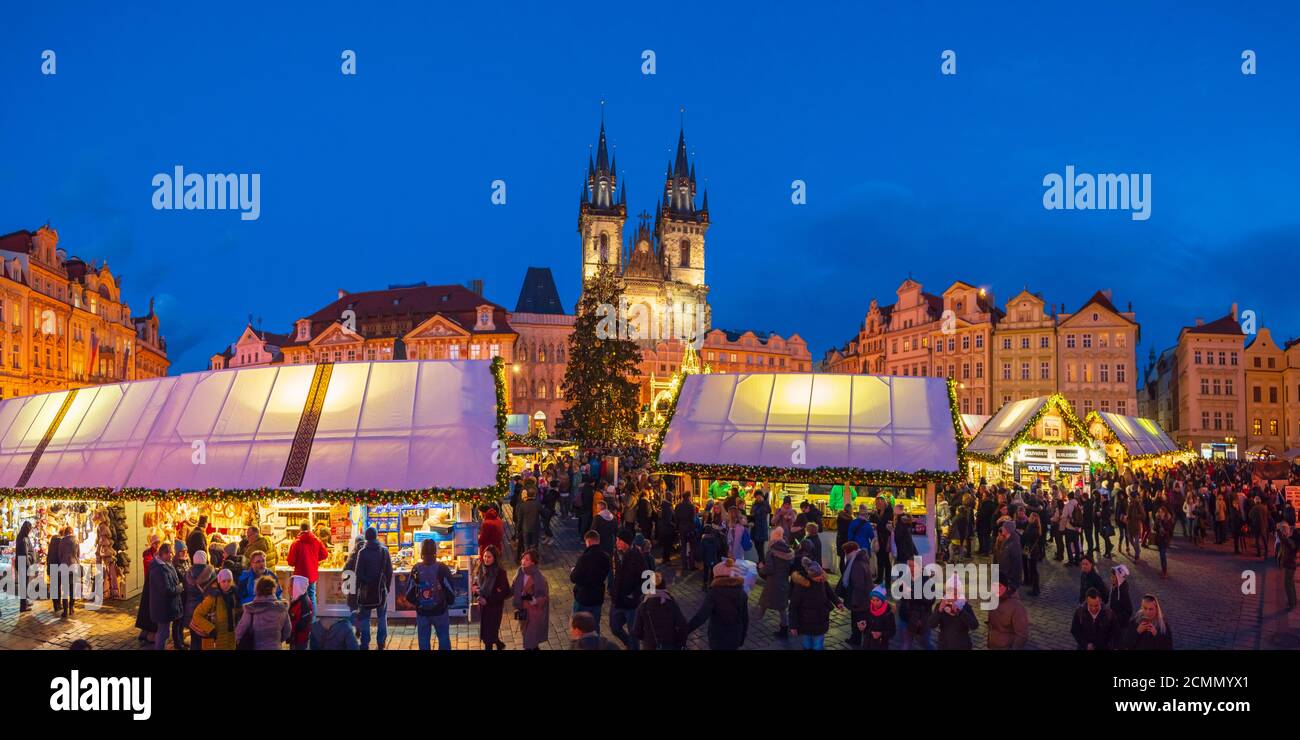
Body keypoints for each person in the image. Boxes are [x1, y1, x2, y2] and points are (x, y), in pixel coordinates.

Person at [685, 559, 749, 650]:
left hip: (718, 635)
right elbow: (745, 618)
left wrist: (685, 630)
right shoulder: (742, 593)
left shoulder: (714, 593)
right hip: (735, 634)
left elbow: (702, 616)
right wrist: (742, 637)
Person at [410, 539, 456, 651]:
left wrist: (418, 603)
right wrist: (447, 602)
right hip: (440, 610)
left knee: (424, 640)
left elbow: (409, 592)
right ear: (435, 551)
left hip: (422, 612)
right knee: (444, 637)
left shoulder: (416, 568)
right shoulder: (442, 568)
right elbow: (450, 590)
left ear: (422, 552)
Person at [788, 557, 842, 650]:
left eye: (821, 575)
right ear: (810, 576)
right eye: (817, 577)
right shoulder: (801, 586)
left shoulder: (822, 581)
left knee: (818, 646)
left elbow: (830, 592)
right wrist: (793, 625)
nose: (820, 578)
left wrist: (837, 602)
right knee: (807, 644)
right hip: (805, 621)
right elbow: (793, 606)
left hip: (821, 618)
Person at [353, 526, 393, 650]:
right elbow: (389, 571)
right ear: (376, 536)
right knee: (382, 616)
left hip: (365, 590)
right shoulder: (384, 551)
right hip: (381, 589)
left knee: (365, 617)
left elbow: (358, 573)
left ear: (366, 537)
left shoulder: (362, 552)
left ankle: (365, 644)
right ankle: (381, 642)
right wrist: (387, 587)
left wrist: (361, 587)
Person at [610, 528, 646, 650]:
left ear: (625, 542)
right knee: (614, 627)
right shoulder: (616, 553)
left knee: (633, 633)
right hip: (617, 600)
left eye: (618, 540)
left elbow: (648, 580)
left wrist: (634, 595)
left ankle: (632, 647)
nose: (616, 543)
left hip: (631, 604)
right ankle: (629, 644)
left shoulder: (637, 556)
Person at [632, 571, 688, 650]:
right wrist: (680, 642)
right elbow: (682, 625)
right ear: (664, 586)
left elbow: (636, 631)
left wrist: (647, 639)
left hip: (650, 646)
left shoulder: (643, 604)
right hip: (670, 644)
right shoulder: (670, 603)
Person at [756, 527, 794, 639]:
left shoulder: (771, 552)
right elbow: (790, 567)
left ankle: (755, 620)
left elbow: (769, 569)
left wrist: (761, 568)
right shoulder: (788, 551)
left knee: (765, 601)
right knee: (782, 606)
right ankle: (784, 627)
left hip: (772, 582)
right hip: (783, 581)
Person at [235, 575, 291, 650]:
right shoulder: (281, 608)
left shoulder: (251, 609)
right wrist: (277, 641)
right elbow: (287, 631)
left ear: (257, 590)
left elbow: (240, 632)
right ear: (273, 589)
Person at [570, 529, 610, 629]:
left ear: (588, 541)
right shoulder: (605, 557)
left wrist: (573, 571)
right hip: (597, 597)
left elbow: (574, 578)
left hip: (584, 597)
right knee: (595, 626)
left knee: (579, 626)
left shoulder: (584, 558)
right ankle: (595, 643)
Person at [473, 544, 511, 649]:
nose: (486, 559)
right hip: (483, 607)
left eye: (489, 557)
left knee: (487, 637)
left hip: (494, 608)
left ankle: (492, 643)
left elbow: (503, 592)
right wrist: (476, 593)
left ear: (495, 558)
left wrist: (487, 601)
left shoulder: (500, 573)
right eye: (485, 556)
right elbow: (475, 584)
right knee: (488, 631)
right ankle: (498, 643)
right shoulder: (480, 568)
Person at [190, 569, 239, 650]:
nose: (226, 584)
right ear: (219, 582)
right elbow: (197, 615)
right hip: (216, 639)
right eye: (224, 581)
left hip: (231, 638)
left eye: (229, 581)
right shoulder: (212, 597)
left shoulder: (234, 595)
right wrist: (210, 629)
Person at [147, 542, 183, 651]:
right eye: (169, 553)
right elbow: (166, 590)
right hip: (162, 607)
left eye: (171, 552)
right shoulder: (158, 570)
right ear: (162, 554)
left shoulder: (167, 564)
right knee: (163, 633)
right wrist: (180, 588)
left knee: (165, 633)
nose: (171, 555)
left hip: (167, 606)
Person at [511, 548, 550, 650]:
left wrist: (535, 600)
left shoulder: (539, 577)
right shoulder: (519, 573)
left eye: (527, 559)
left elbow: (544, 597)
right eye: (523, 558)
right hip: (522, 611)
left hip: (534, 613)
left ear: (533, 562)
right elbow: (513, 588)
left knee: (529, 642)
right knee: (530, 640)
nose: (523, 561)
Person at [287, 523, 327, 614]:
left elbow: (291, 562)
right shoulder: (317, 541)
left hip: (299, 575)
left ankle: (300, 619)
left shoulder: (296, 543)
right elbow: (325, 554)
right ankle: (312, 620)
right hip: (311, 575)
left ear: (300, 529)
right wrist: (315, 559)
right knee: (312, 596)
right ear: (310, 529)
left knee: (298, 597)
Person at [895, 558, 934, 650]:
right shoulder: (905, 578)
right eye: (909, 566)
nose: (911, 568)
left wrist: (910, 593)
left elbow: (929, 600)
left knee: (925, 643)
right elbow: (900, 597)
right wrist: (900, 588)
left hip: (921, 619)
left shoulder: (928, 581)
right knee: (905, 645)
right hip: (905, 617)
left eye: (913, 566)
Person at [840, 541, 874, 647]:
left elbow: (858, 585)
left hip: (860, 600)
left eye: (846, 553)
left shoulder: (856, 564)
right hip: (865, 597)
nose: (845, 555)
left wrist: (854, 601)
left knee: (858, 621)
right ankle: (858, 639)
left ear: (851, 552)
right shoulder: (862, 559)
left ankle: (857, 640)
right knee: (861, 619)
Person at [183, 550, 216, 651]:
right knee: (206, 638)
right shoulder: (211, 572)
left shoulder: (188, 573)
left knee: (194, 638)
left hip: (191, 610)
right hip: (205, 611)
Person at [986, 578, 1029, 649]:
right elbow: (991, 626)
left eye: (999, 586)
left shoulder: (1017, 607)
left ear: (1006, 587)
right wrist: (989, 642)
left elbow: (1022, 634)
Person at [857, 585, 896, 650]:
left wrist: (881, 634)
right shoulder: (869, 608)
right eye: (872, 600)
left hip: (880, 645)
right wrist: (863, 625)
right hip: (867, 644)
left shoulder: (888, 613)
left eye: (877, 600)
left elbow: (892, 632)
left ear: (882, 600)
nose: (875, 603)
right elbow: (866, 622)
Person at [1107, 564, 1133, 647]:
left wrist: (1117, 618)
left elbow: (1129, 610)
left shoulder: (1123, 592)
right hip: (1114, 623)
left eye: (1113, 577)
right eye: (1111, 576)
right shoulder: (1115, 587)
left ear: (1119, 578)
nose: (1111, 579)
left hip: (1120, 626)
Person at [673, 494, 698, 574]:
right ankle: (691, 565)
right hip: (690, 529)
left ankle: (684, 565)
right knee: (692, 547)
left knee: (683, 547)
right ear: (689, 497)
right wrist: (693, 529)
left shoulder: (678, 506)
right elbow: (693, 519)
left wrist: (678, 528)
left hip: (681, 528)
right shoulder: (691, 506)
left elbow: (676, 518)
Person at [996, 519, 1023, 593]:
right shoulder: (1006, 539)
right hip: (1003, 573)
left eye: (1004, 528)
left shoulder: (1014, 544)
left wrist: (1013, 581)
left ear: (1008, 530)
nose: (1002, 529)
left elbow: (1016, 563)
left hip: (1008, 577)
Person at [287, 575, 314, 650]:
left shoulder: (304, 603)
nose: (288, 589)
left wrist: (289, 628)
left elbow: (302, 624)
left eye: (290, 586)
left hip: (299, 641)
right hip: (295, 639)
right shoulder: (297, 600)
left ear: (297, 588)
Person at [14, 521, 35, 612]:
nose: (30, 531)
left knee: (24, 585)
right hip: (24, 565)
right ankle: (23, 606)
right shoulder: (23, 538)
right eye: (30, 529)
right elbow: (24, 554)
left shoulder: (22, 536)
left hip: (22, 564)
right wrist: (29, 566)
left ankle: (24, 603)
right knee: (24, 586)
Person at [1277, 522, 1298, 611]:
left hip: (1290, 565)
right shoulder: (1290, 539)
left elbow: (1284, 540)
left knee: (1288, 584)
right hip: (1290, 564)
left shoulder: (1290, 541)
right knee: (1291, 583)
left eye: (1283, 530)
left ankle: (1291, 604)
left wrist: (1279, 532)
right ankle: (1294, 601)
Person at [1022, 512, 1043, 596]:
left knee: (1033, 569)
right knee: (1031, 567)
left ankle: (1035, 589)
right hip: (1032, 549)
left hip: (1031, 549)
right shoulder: (1037, 527)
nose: (1028, 518)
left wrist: (1023, 534)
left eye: (1030, 517)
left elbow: (1027, 537)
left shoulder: (1032, 527)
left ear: (1033, 518)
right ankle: (1031, 583)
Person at [1153, 506, 1174, 577]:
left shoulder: (1168, 519)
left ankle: (1164, 572)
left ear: (1165, 513)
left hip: (1165, 539)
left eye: (1162, 512)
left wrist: (1165, 532)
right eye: (1160, 512)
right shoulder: (1158, 519)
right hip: (1159, 539)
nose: (1161, 513)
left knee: (1163, 555)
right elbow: (1154, 528)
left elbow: (1170, 530)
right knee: (1161, 555)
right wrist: (1158, 525)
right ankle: (1163, 570)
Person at [750, 492, 771, 563]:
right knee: (756, 546)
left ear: (762, 496)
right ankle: (761, 562)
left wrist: (765, 501)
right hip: (755, 528)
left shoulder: (765, 504)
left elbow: (769, 510)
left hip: (762, 528)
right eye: (757, 496)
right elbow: (751, 513)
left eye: (760, 496)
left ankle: (762, 562)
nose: (758, 498)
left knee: (761, 547)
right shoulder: (754, 504)